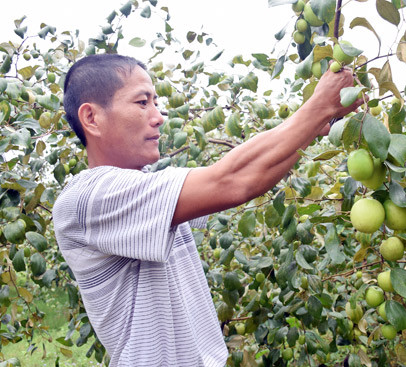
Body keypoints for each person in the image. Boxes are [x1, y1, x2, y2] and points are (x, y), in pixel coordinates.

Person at [52, 53, 361, 367]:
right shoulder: (88, 199)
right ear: (91, 118)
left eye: (156, 102)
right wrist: (320, 106)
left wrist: (310, 126)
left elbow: (245, 173)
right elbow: (232, 181)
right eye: (142, 102)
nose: (158, 116)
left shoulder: (143, 188)